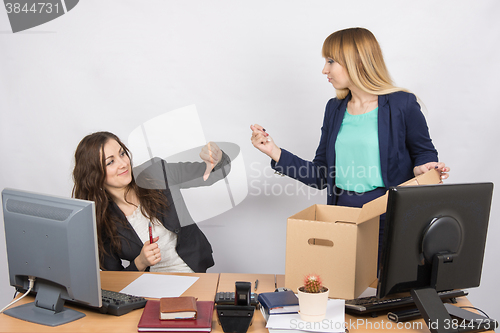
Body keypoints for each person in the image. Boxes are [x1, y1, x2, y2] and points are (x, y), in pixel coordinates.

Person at [250, 27, 449, 262]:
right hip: (342, 216)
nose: (325, 69)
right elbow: (321, 175)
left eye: (331, 61)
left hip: (388, 213)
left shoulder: (401, 104)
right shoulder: (334, 109)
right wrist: (274, 152)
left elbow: (423, 152)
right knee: (339, 292)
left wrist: (422, 168)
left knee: (393, 292)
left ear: (356, 61)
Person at [72, 131, 230, 272]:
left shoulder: (156, 173)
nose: (123, 164)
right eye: (110, 162)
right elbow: (113, 281)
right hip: (148, 286)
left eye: (122, 154)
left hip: (192, 272)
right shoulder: (100, 220)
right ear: (94, 175)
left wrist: (217, 159)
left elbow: (211, 175)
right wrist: (140, 262)